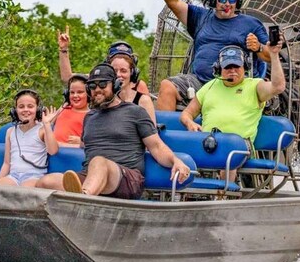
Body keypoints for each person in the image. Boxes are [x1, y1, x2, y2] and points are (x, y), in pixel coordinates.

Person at [37, 63, 191, 198]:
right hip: (93, 176)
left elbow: (156, 146)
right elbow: (83, 146)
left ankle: (83, 199)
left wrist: (175, 161)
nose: (97, 89)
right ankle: (77, 200)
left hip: (127, 178)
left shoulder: (135, 112)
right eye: (92, 86)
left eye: (103, 84)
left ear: (115, 85)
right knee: (46, 182)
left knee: (99, 161)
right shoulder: (89, 117)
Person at [145, 0, 274, 111]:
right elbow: (173, 2)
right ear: (214, 1)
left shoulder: (251, 24)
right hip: (199, 83)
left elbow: (270, 55)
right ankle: (164, 133)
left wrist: (259, 47)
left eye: (232, 0)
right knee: (167, 86)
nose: (228, 4)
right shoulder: (201, 17)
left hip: (233, 86)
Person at [179, 40, 286, 182]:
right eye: (228, 67)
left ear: (245, 67)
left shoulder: (255, 86)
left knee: (228, 151)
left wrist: (273, 55)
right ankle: (186, 195)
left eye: (237, 66)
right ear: (218, 68)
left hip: (239, 145)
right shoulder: (209, 86)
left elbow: (278, 87)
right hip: (208, 141)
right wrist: (189, 123)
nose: (232, 71)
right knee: (182, 154)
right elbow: (186, 114)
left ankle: (224, 196)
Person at [57, 27, 156, 123]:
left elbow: (151, 130)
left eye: (123, 70)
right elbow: (67, 77)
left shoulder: (141, 94)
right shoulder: (99, 84)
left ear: (132, 72)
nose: (119, 75)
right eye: (114, 70)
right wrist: (63, 49)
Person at [0, 89, 61, 187]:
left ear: (38, 110)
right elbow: (7, 163)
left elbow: (53, 150)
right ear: (15, 111)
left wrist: (46, 124)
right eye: (21, 107)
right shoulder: (10, 131)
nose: (25, 110)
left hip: (34, 177)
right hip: (13, 176)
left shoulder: (42, 130)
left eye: (30, 106)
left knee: (24, 192)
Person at [53, 74, 89, 148]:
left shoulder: (91, 115)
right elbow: (48, 125)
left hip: (74, 154)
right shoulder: (64, 108)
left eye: (80, 92)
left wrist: (82, 141)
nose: (75, 95)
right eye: (72, 92)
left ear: (89, 94)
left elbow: (97, 142)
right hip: (55, 154)